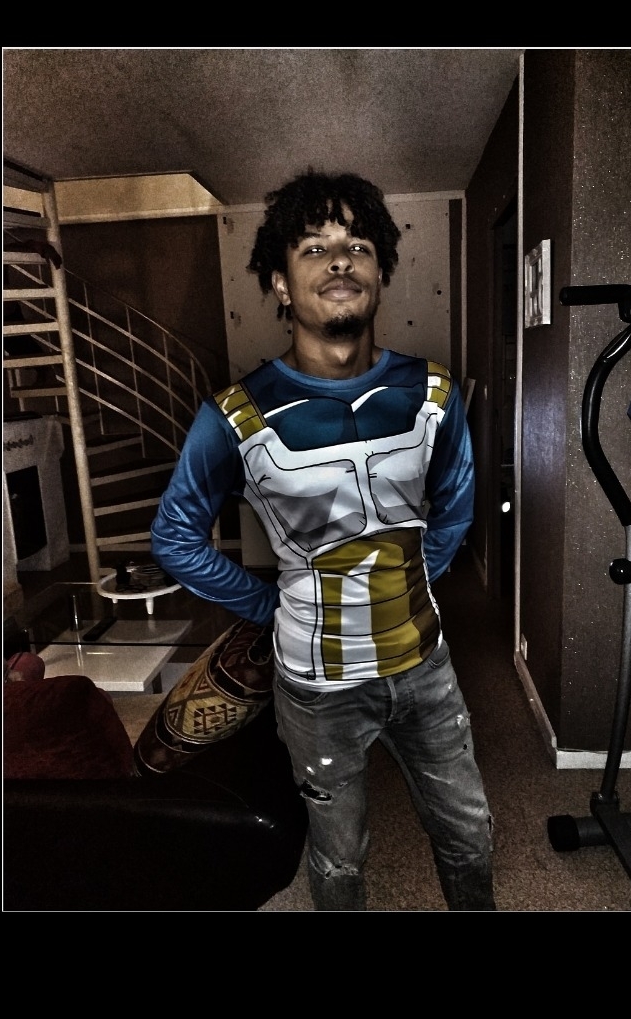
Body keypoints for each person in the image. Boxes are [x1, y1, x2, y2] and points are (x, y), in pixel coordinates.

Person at [150, 170, 496, 911]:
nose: (340, 259)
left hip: (424, 666)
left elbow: (454, 511)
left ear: (380, 272)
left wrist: (410, 588)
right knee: (339, 858)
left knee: (470, 833)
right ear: (280, 283)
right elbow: (175, 536)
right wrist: (270, 604)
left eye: (358, 245)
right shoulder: (234, 415)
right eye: (314, 247)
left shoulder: (433, 394)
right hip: (317, 688)